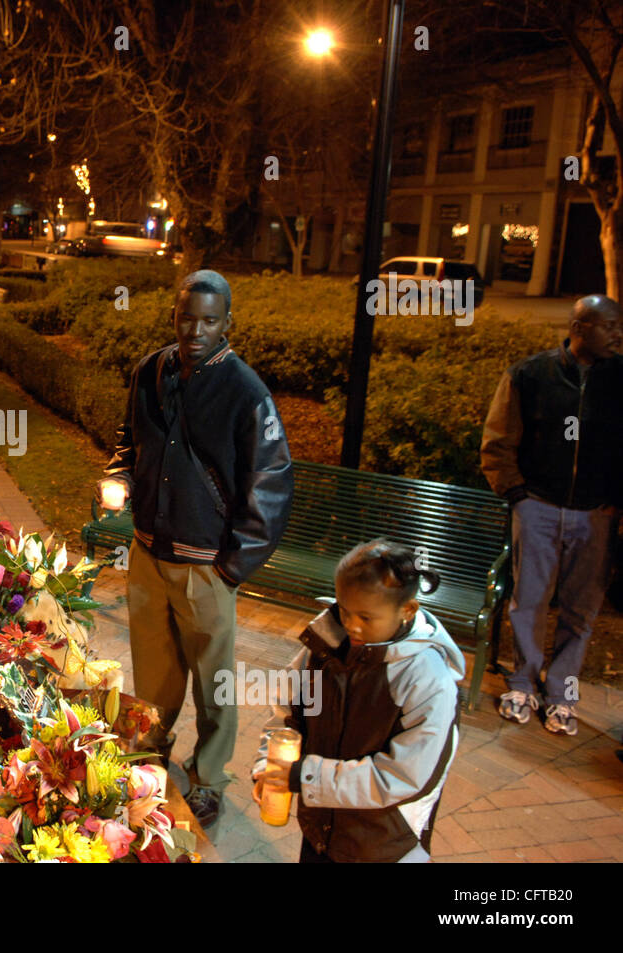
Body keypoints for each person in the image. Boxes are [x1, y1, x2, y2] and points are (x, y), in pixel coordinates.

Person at [99, 269, 293, 829]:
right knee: (155, 674)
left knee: (215, 683)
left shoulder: (245, 391)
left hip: (206, 565)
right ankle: (151, 750)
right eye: (187, 318)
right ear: (174, 316)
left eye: (210, 320)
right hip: (148, 553)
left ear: (228, 322)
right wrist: (120, 479)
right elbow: (127, 441)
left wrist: (235, 564)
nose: (196, 330)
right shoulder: (150, 371)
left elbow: (272, 480)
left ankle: (209, 778)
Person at [252, 540, 464, 862]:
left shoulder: (428, 679)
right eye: (345, 609)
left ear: (407, 610)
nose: (351, 625)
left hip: (382, 846)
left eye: (366, 617)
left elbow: (405, 775)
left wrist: (304, 776)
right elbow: (287, 714)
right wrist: (270, 767)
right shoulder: (327, 645)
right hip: (321, 830)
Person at [480, 295, 623, 735]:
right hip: (538, 506)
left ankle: (562, 695)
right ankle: (522, 682)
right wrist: (517, 493)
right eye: (610, 326)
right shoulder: (529, 374)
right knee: (530, 603)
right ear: (581, 328)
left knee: (582, 610)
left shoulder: (622, 379)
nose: (618, 335)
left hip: (597, 513)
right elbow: (499, 440)